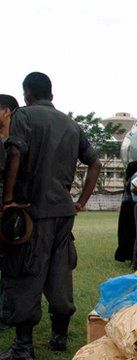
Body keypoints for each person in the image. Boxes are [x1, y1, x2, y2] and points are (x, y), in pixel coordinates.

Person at [1, 72, 101, 357]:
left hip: (31, 212)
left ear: (27, 93)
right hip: (62, 212)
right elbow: (94, 163)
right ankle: (59, 337)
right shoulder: (72, 124)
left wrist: (8, 199)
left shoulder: (24, 116)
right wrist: (81, 201)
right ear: (51, 94)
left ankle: (23, 346)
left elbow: (16, 154)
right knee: (60, 272)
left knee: (24, 273)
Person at [0, 94, 19, 332]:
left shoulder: (13, 143)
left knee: (9, 265)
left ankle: (6, 314)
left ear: (7, 112)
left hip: (9, 214)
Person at [114, 161, 137, 263]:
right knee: (132, 231)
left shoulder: (127, 179)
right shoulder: (135, 179)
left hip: (125, 207)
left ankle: (124, 254)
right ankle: (131, 254)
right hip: (131, 206)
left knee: (124, 231)